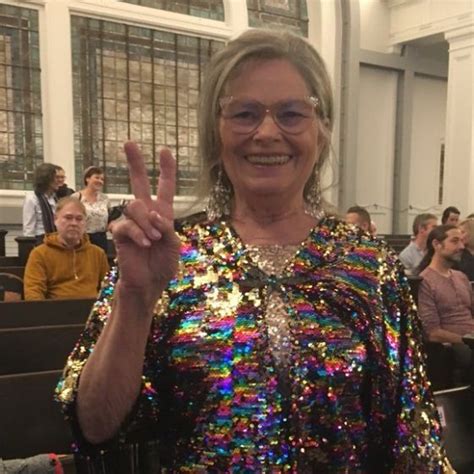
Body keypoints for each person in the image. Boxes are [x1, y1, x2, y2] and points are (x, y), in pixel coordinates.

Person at [56, 29, 448, 472]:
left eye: (291, 113)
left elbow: (413, 443)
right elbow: (96, 426)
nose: (266, 132)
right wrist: (135, 299)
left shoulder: (368, 267)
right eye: (244, 113)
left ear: (321, 131)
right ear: (216, 133)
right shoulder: (167, 254)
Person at [417, 225, 474, 381]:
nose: (461, 246)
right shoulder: (425, 281)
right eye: (455, 241)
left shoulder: (461, 277)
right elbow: (432, 333)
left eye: (461, 241)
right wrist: (467, 339)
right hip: (455, 346)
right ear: (437, 244)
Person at [24, 197, 109, 300]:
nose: (74, 223)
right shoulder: (40, 254)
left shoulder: (98, 254)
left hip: (93, 309)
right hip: (54, 309)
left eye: (79, 219)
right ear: (55, 220)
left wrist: (101, 310)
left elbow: (108, 290)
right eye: (68, 218)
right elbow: (33, 294)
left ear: (85, 223)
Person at [72, 166, 110, 253]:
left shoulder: (105, 198)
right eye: (97, 178)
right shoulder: (76, 197)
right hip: (82, 238)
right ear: (87, 179)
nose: (100, 181)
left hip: (101, 239)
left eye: (102, 179)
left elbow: (109, 218)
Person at [22, 163, 58, 245]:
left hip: (55, 239)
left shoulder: (55, 199)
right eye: (56, 177)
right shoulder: (32, 198)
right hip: (40, 240)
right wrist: (29, 245)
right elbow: (28, 227)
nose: (58, 181)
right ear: (47, 179)